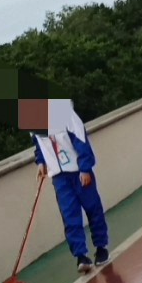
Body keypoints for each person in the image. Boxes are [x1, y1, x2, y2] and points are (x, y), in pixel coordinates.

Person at [33, 99, 109, 272]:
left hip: (78, 172)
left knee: (93, 209)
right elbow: (38, 144)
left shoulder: (65, 113)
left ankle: (101, 248)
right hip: (59, 177)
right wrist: (41, 162)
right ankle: (81, 256)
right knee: (69, 215)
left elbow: (80, 139)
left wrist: (85, 168)